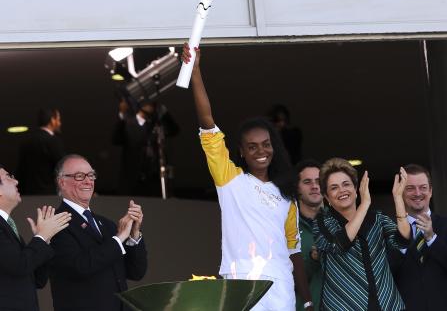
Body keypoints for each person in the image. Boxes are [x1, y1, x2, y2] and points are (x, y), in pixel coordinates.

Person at [182, 44, 313, 311]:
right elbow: (207, 122)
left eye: (266, 144)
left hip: (280, 286)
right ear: (241, 152)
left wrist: (307, 299)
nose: (261, 151)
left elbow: (293, 250)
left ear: (274, 146)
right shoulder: (230, 179)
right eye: (252, 147)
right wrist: (195, 71)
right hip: (240, 282)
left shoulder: (287, 193)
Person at [48, 154, 147, 311]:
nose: (88, 181)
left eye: (91, 175)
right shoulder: (55, 223)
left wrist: (134, 235)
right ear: (62, 182)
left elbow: (136, 272)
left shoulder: (106, 225)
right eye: (80, 176)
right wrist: (119, 238)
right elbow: (79, 267)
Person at [313, 158, 411, 311]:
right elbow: (339, 244)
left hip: (388, 305)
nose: (342, 190)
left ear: (355, 188)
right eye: (334, 188)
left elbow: (403, 240)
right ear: (326, 197)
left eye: (346, 184)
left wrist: (398, 199)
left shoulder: (376, 219)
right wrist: (364, 204)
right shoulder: (322, 223)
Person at [388, 164, 447, 311]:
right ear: (401, 193)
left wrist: (431, 238)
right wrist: (402, 239)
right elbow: (386, 275)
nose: (418, 193)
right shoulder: (389, 231)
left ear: (430, 191)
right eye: (410, 188)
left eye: (423, 187)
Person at [0, 164, 71, 311]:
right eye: (8, 177)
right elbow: (20, 266)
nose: (16, 181)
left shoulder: (7, 225)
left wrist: (45, 240)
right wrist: (41, 236)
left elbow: (37, 280)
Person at [112, 99, 179, 196]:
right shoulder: (129, 123)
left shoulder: (157, 124)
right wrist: (122, 114)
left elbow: (174, 130)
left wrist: (163, 111)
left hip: (155, 178)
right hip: (132, 179)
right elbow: (116, 139)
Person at [294, 159, 324, 311]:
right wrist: (313, 260)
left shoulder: (340, 224)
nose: (314, 186)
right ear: (297, 188)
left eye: (319, 181)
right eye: (307, 182)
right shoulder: (286, 227)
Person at [16, 108, 65, 194]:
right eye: (58, 119)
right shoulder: (53, 141)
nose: (60, 123)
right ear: (52, 120)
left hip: (27, 195)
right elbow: (62, 168)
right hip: (49, 195)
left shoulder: (26, 141)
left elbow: (20, 170)